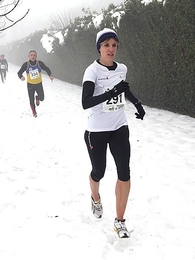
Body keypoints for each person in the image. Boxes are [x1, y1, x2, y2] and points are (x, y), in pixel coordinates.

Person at [81, 28, 146, 238]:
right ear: (99, 48)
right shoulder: (92, 71)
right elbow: (86, 102)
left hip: (119, 127)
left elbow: (123, 88)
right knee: (98, 171)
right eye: (106, 45)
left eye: (114, 45)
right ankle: (95, 197)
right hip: (96, 131)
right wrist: (111, 92)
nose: (111, 49)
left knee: (124, 172)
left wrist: (137, 104)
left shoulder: (122, 69)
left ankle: (119, 221)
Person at [17, 50, 54, 118]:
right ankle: (34, 112)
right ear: (29, 56)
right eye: (31, 55)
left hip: (38, 84)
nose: (33, 56)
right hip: (30, 85)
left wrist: (50, 75)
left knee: (42, 98)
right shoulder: (26, 64)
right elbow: (19, 72)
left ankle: (37, 98)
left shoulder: (39, 63)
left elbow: (46, 68)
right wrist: (21, 77)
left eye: (34, 55)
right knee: (31, 99)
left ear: (36, 56)